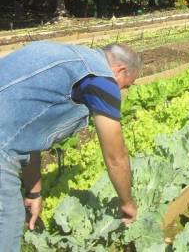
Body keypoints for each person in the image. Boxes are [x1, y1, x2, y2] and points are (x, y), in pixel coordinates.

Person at [0, 40, 142, 252]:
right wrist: (127, 202)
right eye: (126, 85)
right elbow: (116, 156)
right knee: (8, 223)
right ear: (120, 70)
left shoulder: (65, 55)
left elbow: (30, 128)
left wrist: (34, 193)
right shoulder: (99, 78)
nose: (123, 91)